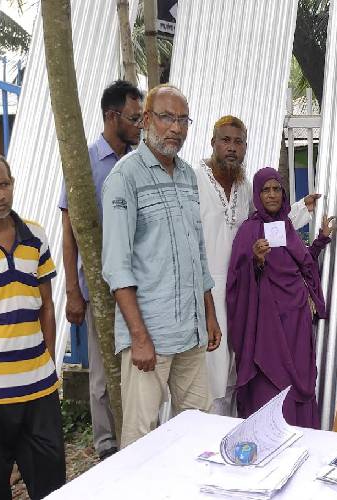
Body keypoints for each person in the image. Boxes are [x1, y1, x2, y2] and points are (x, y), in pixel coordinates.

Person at [101, 84, 222, 448]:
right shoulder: (125, 177)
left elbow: (197, 253)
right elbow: (116, 268)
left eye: (183, 120)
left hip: (190, 332)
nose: (177, 128)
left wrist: (210, 315)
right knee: (141, 441)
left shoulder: (187, 175)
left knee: (199, 432)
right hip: (149, 340)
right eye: (167, 117)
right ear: (147, 119)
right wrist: (139, 338)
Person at [195, 115, 321, 416]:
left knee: (234, 373)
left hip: (245, 297)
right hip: (206, 295)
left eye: (238, 142)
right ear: (213, 143)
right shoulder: (194, 182)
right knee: (206, 377)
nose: (231, 148)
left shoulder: (244, 189)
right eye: (225, 140)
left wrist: (302, 208)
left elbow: (271, 225)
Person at [0, 152, 66, 499]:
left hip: (38, 392)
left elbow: (47, 305)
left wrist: (47, 364)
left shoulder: (34, 236)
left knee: (51, 489)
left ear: (13, 184)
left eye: (4, 184)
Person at [59, 79, 143, 459]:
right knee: (102, 373)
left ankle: (138, 436)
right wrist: (73, 292)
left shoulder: (139, 162)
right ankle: (107, 446)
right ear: (112, 117)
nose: (140, 125)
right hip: (100, 287)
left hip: (139, 284)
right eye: (134, 117)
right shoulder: (85, 161)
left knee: (138, 363)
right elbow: (69, 231)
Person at [226, 168, 336, 427]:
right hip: (267, 326)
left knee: (300, 385)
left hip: (296, 322)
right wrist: (256, 260)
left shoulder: (285, 226)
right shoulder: (248, 231)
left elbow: (300, 261)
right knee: (271, 385)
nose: (272, 195)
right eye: (266, 190)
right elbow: (237, 280)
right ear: (257, 194)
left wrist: (320, 240)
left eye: (277, 189)